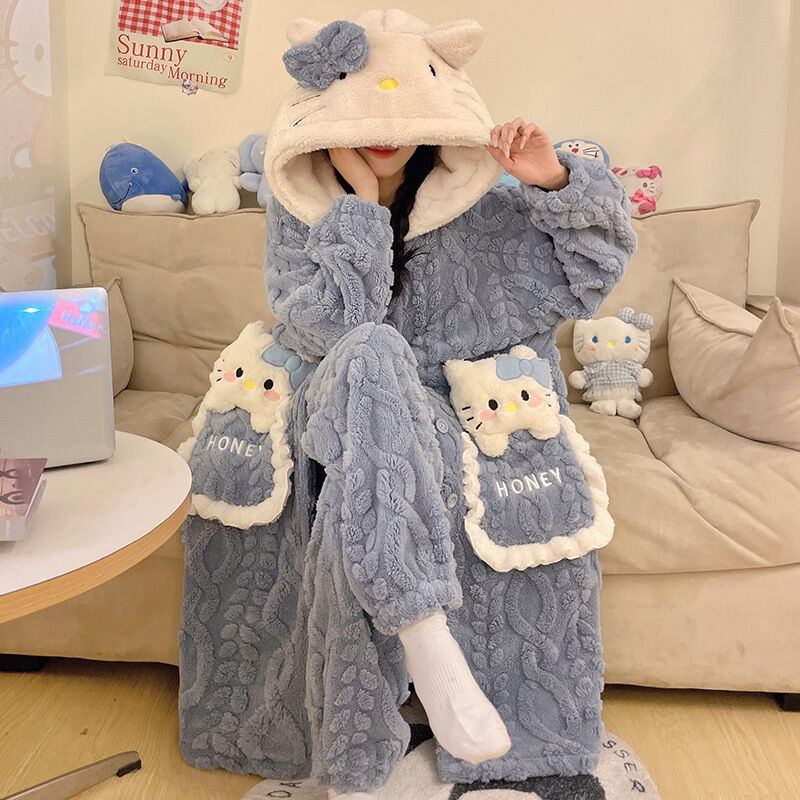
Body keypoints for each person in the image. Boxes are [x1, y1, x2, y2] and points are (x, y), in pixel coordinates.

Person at [178, 9, 637, 800]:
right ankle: (426, 637)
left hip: (444, 414)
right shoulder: (299, 210)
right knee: (368, 349)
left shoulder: (487, 208)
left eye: (400, 119)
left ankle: (368, 732)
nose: (384, 137)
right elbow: (322, 327)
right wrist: (359, 205)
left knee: (368, 435)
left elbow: (592, 272)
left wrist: (553, 183)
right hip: (332, 405)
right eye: (363, 120)